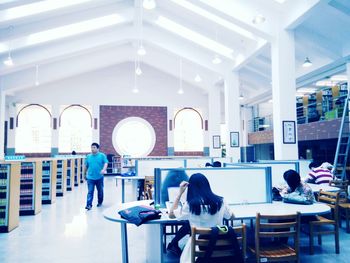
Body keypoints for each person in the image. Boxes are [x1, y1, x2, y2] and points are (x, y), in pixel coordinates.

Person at [168, 173, 235, 262]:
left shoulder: (190, 205)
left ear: (191, 188)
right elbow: (231, 217)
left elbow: (171, 214)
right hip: (218, 245)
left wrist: (180, 193)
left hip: (197, 248)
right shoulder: (221, 201)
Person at [83, 143, 108, 210]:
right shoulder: (88, 156)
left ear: (97, 148)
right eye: (91, 147)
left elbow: (106, 163)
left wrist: (103, 169)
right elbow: (86, 166)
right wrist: (84, 174)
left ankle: (100, 202)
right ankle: (89, 205)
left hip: (99, 177)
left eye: (94, 147)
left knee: (100, 191)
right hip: (90, 177)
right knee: (90, 191)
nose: (92, 149)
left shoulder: (102, 155)